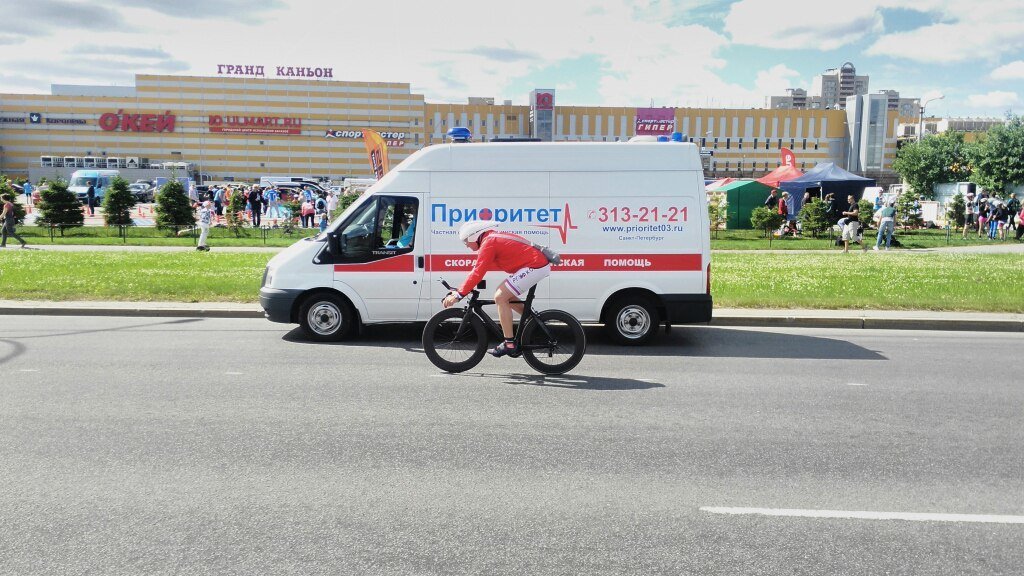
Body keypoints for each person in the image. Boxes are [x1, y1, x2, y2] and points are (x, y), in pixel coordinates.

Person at [442, 220, 551, 357]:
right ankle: (533, 324)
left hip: (536, 266)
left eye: (466, 241)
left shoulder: (489, 242)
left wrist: (459, 294)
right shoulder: (491, 239)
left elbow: (478, 272)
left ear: (473, 236)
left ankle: (509, 344)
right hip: (536, 264)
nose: (466, 245)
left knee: (500, 297)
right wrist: (461, 289)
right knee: (506, 296)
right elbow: (479, 269)